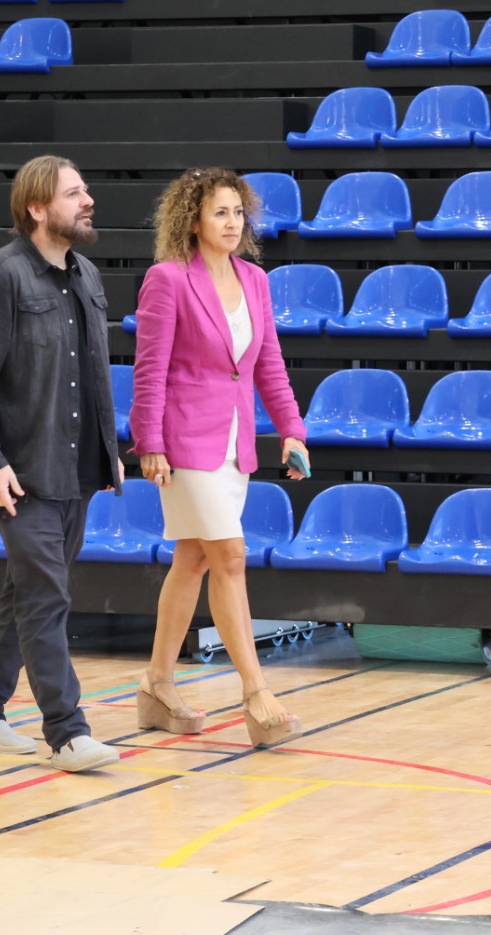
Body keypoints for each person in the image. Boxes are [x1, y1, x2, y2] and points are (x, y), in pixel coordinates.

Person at [0, 155, 122, 773]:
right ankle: (68, 732)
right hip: (18, 473)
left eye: (85, 190)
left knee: (26, 593)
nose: (88, 200)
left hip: (75, 469)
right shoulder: (1, 277)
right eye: (74, 193)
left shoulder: (87, 275)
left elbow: (91, 378)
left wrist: (108, 456)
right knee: (47, 596)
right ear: (37, 208)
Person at [130, 167, 310, 749]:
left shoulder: (255, 279)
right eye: (220, 213)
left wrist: (292, 430)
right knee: (229, 555)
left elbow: (269, 364)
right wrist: (149, 442)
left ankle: (157, 686)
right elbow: (150, 369)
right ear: (194, 220)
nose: (233, 223)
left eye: (238, 212)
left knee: (192, 560)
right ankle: (256, 694)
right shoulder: (167, 279)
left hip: (234, 444)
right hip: (183, 441)